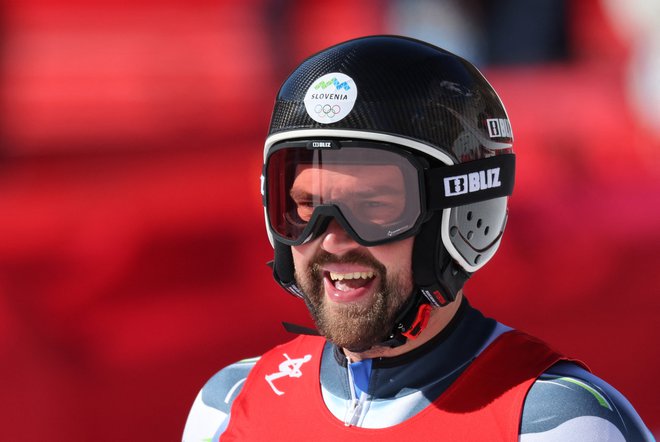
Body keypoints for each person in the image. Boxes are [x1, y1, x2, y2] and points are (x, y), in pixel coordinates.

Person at [182, 35, 653, 441]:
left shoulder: (550, 424)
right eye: (304, 207)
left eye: (374, 206)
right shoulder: (229, 406)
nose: (331, 239)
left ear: (462, 215)